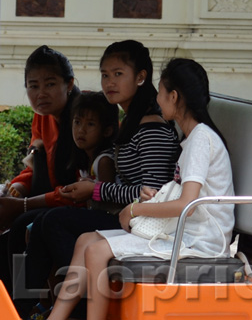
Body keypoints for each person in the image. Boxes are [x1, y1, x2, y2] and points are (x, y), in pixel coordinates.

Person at [47, 58, 235, 320]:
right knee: (85, 240)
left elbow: (187, 206)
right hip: (183, 232)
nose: (157, 99)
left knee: (97, 250)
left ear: (174, 96)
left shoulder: (201, 139)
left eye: (159, 92)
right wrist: (153, 199)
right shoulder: (193, 139)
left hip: (200, 241)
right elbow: (186, 197)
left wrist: (134, 208)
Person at [21, 40, 181, 318]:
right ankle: (30, 308)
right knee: (46, 221)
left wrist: (96, 190)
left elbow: (152, 195)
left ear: (141, 77)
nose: (109, 82)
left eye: (118, 74)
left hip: (144, 223)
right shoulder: (131, 119)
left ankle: (65, 310)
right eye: (105, 75)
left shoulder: (152, 127)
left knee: (54, 222)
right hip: (126, 215)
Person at [24, 91, 119, 319]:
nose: (81, 130)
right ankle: (33, 302)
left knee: (52, 221)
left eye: (90, 124)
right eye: (77, 122)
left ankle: (72, 304)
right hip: (93, 216)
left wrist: (86, 191)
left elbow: (106, 198)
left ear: (106, 130)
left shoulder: (103, 160)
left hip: (111, 220)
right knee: (35, 224)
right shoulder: (83, 159)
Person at [0, 45, 82, 295]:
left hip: (77, 203)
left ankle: (25, 302)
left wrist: (24, 205)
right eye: (33, 86)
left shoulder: (83, 118)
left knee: (23, 224)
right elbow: (36, 167)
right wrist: (16, 188)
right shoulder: (42, 117)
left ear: (68, 84)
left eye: (49, 84)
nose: (40, 94)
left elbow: (78, 188)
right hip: (46, 198)